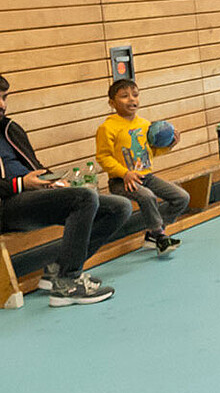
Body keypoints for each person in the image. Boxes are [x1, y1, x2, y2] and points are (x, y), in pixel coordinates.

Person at [0, 74, 130, 306]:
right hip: (7, 206)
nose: (2, 104)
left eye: (4, 98)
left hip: (32, 196)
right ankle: (67, 283)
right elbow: (20, 180)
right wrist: (20, 184)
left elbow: (33, 165)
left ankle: (58, 270)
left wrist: (52, 181)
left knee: (120, 207)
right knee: (85, 198)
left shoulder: (8, 128)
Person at [96, 79, 188, 257]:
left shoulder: (145, 125)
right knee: (147, 196)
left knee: (182, 197)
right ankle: (160, 236)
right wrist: (125, 173)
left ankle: (155, 233)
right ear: (112, 103)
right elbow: (103, 157)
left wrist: (169, 146)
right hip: (122, 181)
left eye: (135, 95)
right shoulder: (107, 128)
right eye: (124, 96)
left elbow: (150, 152)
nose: (132, 99)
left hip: (147, 177)